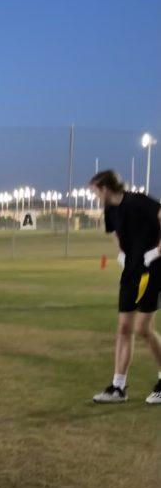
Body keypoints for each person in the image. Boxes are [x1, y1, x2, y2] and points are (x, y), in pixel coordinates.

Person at [89, 169, 161, 405]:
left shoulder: (138, 201)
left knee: (142, 329)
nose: (94, 195)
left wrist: (156, 252)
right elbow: (114, 232)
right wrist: (121, 253)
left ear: (105, 188)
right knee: (123, 328)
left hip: (151, 269)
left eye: (95, 191)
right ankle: (118, 388)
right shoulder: (110, 209)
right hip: (130, 270)